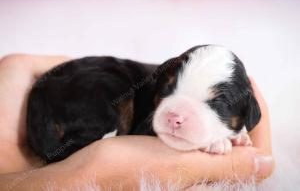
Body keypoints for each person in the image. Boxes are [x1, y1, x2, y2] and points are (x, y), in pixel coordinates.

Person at [0, 54, 274, 190]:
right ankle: (72, 144)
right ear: (161, 80)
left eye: (213, 105)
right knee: (107, 90)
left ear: (246, 113)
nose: (176, 116)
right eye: (170, 90)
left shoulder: (240, 112)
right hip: (69, 96)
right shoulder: (137, 90)